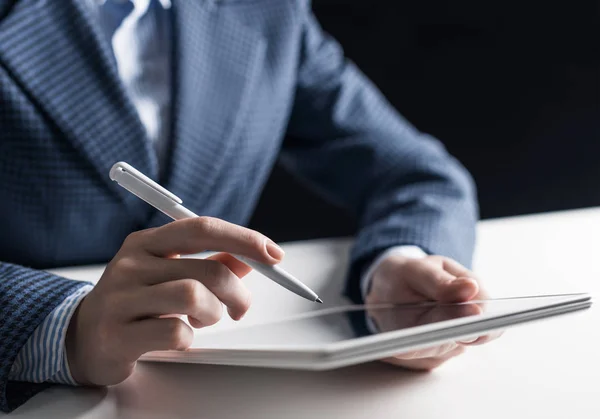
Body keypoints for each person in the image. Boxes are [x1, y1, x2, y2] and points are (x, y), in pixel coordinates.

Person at [0, 0, 487, 413]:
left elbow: (417, 173)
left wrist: (397, 264)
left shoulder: (267, 10)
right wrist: (64, 324)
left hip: (217, 397)